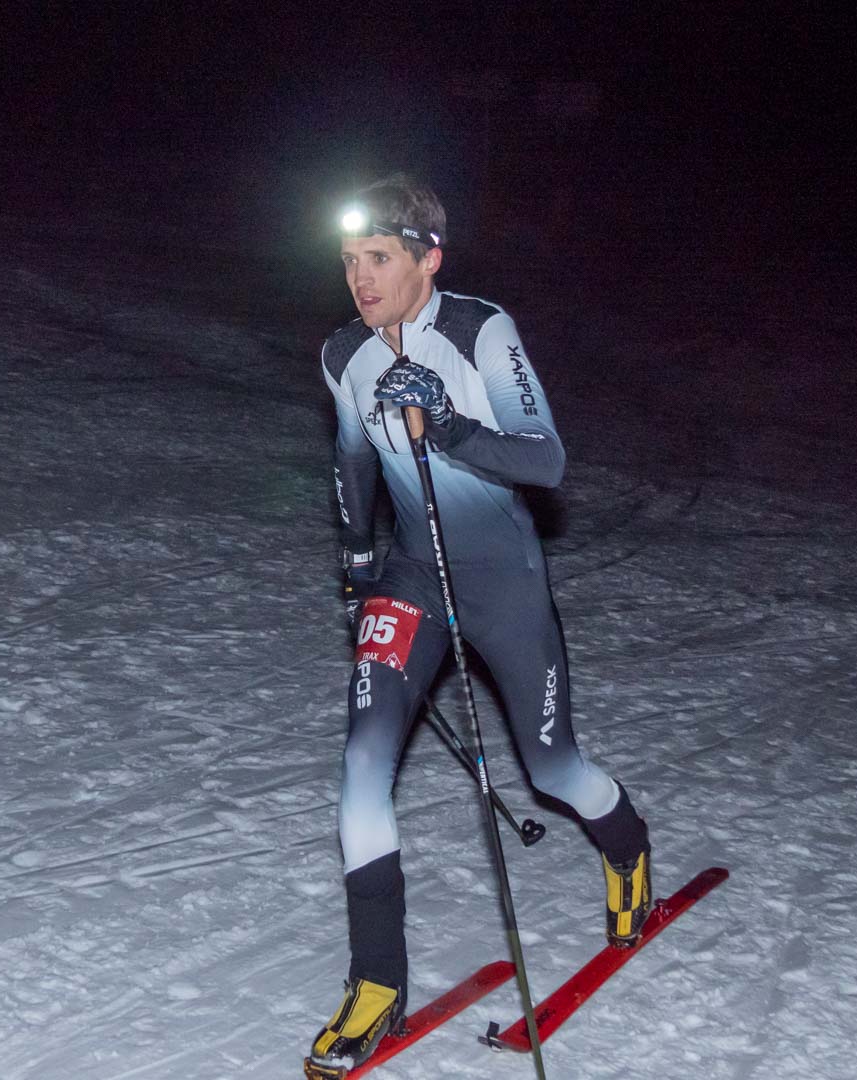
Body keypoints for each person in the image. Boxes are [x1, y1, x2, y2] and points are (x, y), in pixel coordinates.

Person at [304, 174, 653, 1078]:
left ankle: (627, 847)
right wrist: (357, 564)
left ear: (428, 260)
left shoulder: (478, 331)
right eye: (348, 261)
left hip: (503, 583)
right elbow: (352, 458)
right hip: (412, 577)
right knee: (362, 761)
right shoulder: (343, 353)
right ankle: (375, 982)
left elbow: (544, 461)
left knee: (551, 768)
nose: (359, 278)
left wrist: (450, 425)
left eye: (378, 258)